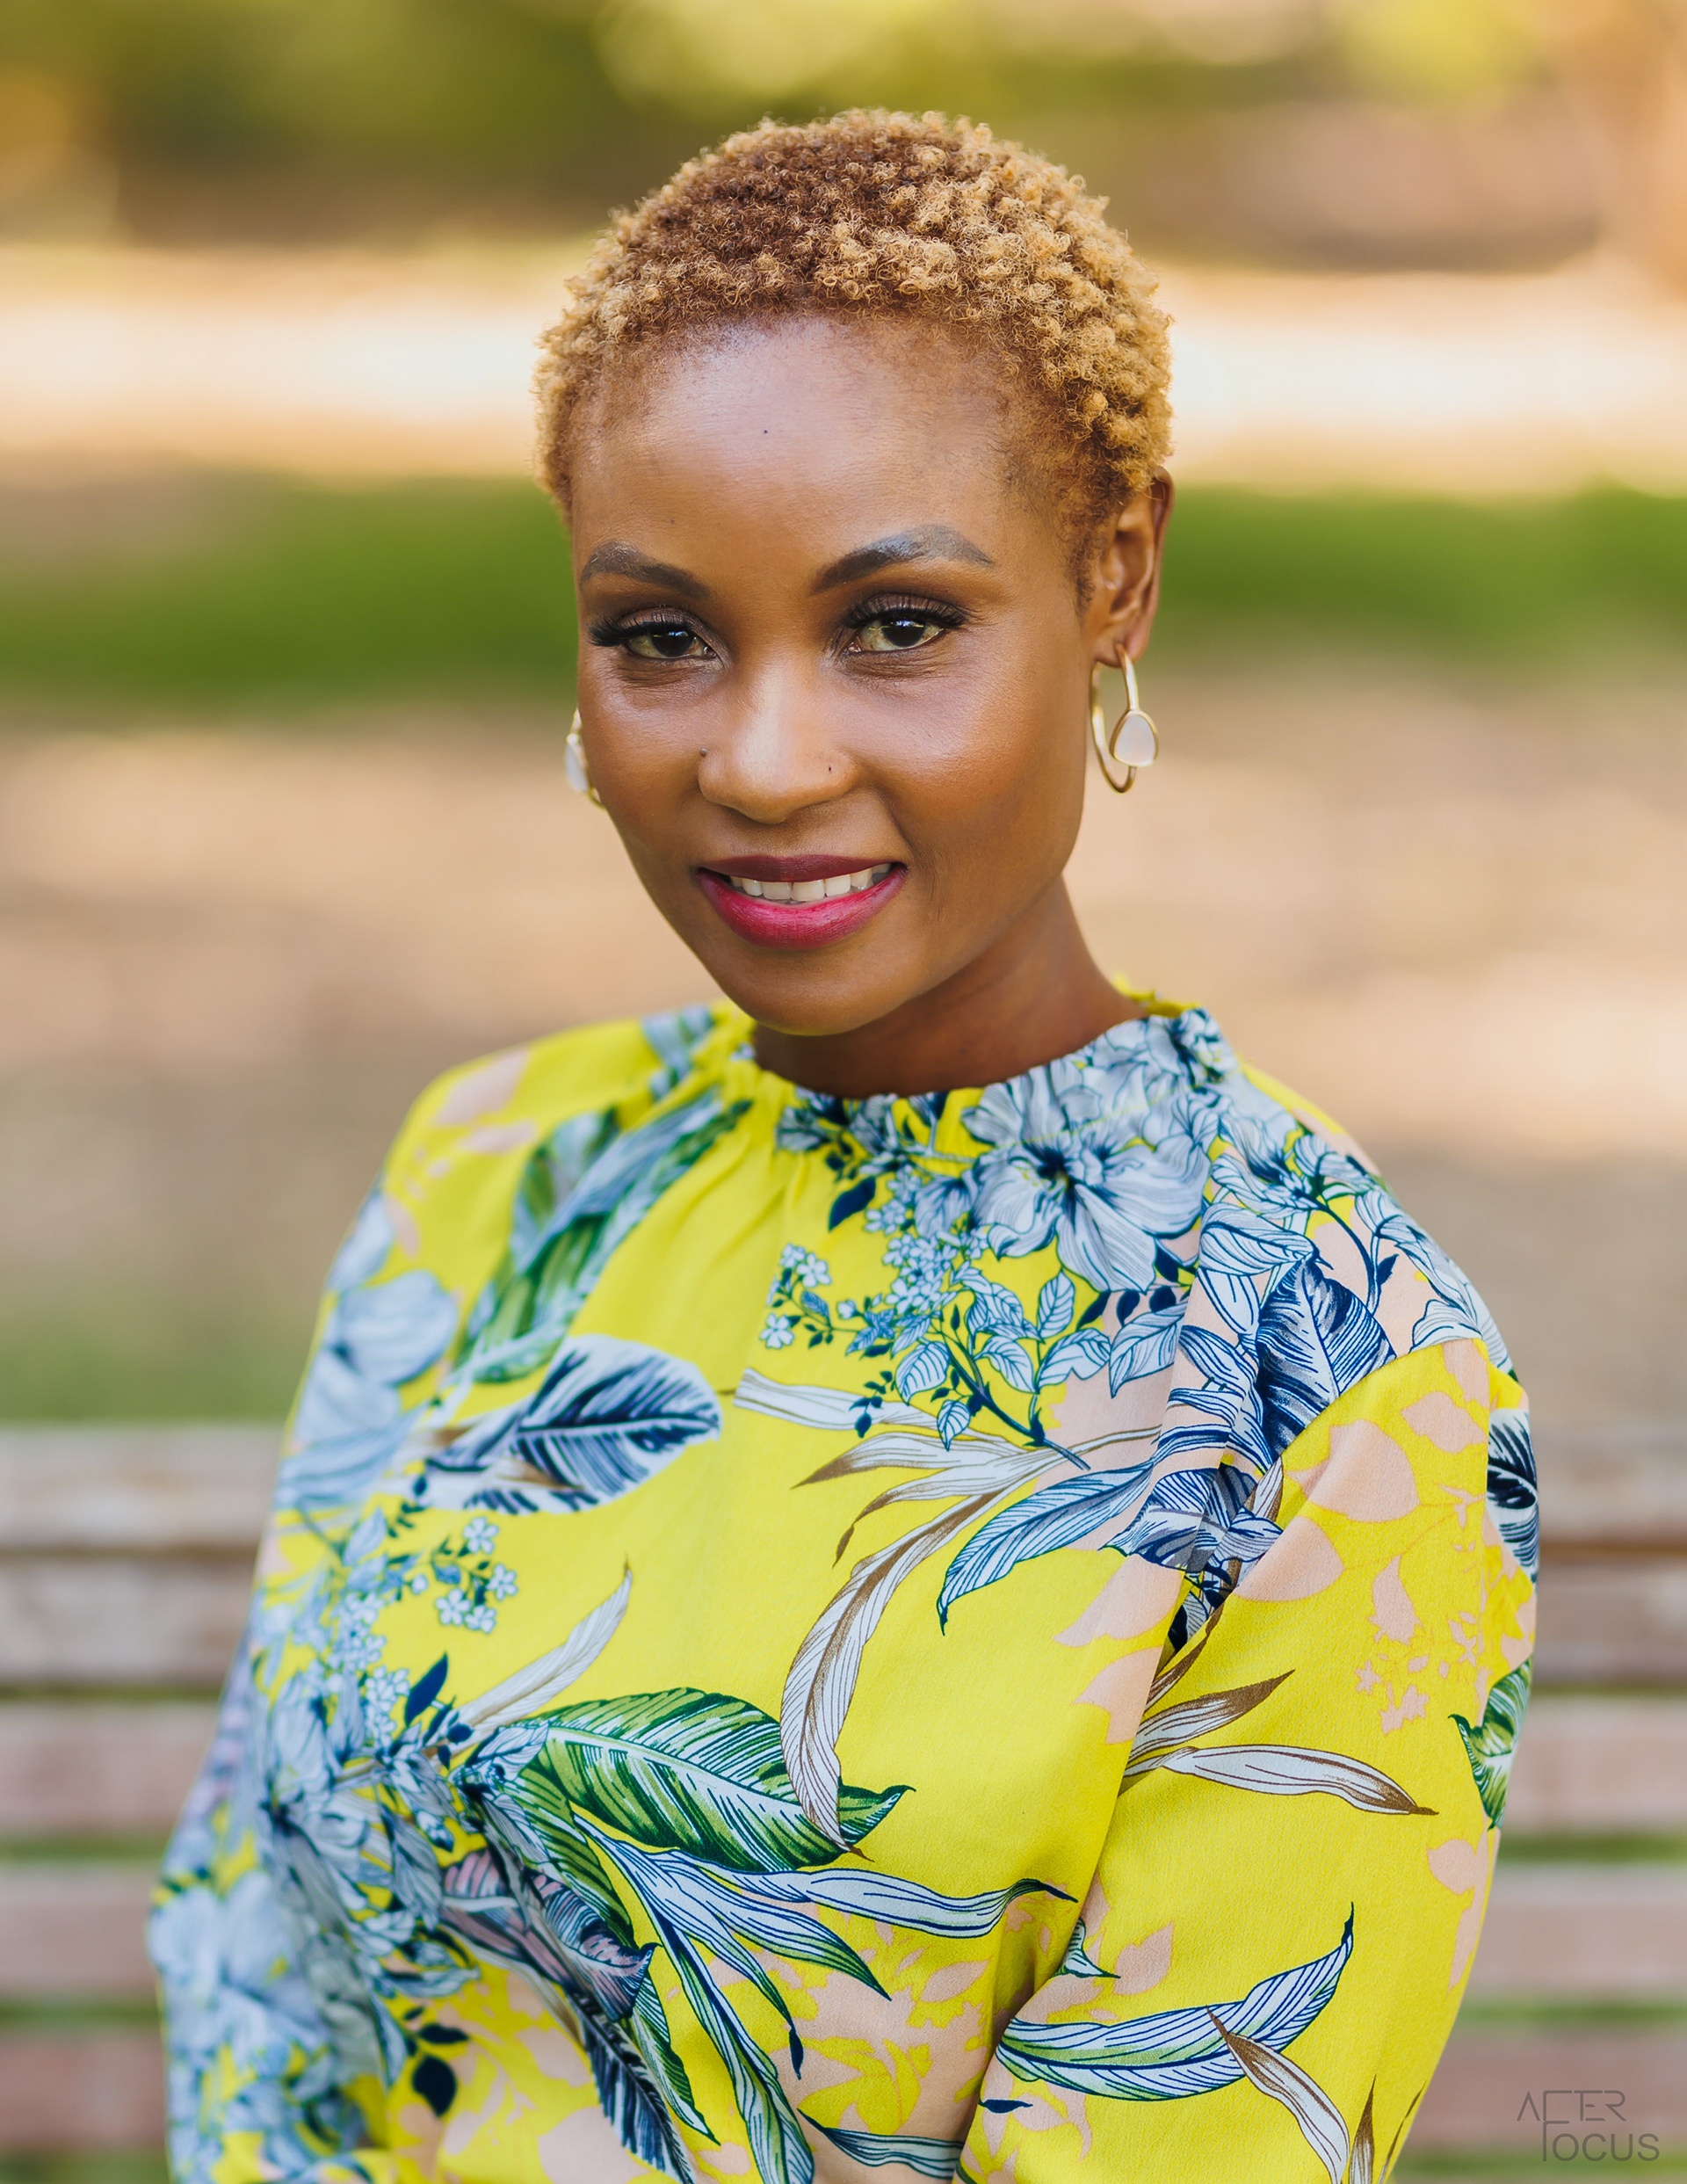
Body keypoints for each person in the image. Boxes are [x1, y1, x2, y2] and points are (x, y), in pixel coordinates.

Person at [151, 111, 1538, 2184]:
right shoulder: (502, 1167)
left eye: (895, 624)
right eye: (664, 636)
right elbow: (262, 1968)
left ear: (1116, 579)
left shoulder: (1332, 1368)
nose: (766, 761)